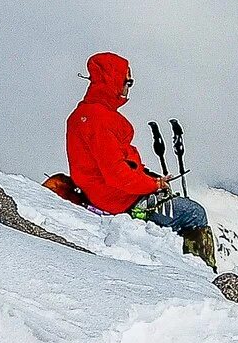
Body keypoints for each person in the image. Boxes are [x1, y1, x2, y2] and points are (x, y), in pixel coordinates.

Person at [67, 52, 215, 268]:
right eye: (127, 82)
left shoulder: (84, 115)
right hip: (119, 199)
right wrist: (153, 184)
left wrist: (147, 177)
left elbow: (116, 164)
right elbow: (116, 174)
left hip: (100, 192)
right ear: (113, 81)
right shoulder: (101, 120)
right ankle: (205, 274)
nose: (128, 88)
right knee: (194, 213)